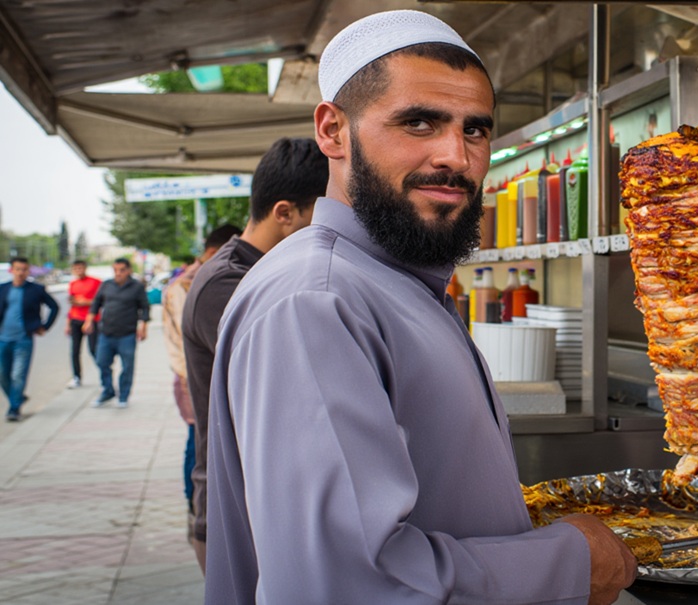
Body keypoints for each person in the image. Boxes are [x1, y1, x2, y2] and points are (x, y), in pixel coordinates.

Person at [204, 10, 637, 604]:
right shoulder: (315, 302)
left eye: (475, 130)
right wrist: (569, 562)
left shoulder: (396, 284)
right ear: (333, 131)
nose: (456, 157)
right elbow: (350, 584)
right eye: (419, 122)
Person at [182, 136, 328, 573]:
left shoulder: (265, 273)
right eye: (324, 217)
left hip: (269, 504)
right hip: (237, 511)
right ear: (284, 213)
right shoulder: (227, 285)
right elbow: (304, 380)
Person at [162, 224, 242, 546]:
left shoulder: (196, 279)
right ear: (213, 252)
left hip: (190, 373)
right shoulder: (187, 284)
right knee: (198, 442)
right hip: (189, 374)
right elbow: (185, 340)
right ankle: (194, 506)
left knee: (200, 440)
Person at [83, 258, 150, 408]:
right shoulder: (107, 284)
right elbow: (96, 304)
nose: (118, 273)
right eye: (115, 270)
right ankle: (108, 391)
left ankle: (123, 396)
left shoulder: (137, 287)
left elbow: (145, 307)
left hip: (127, 334)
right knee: (101, 362)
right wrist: (89, 321)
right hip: (106, 333)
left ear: (129, 270)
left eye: (122, 270)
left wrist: (143, 326)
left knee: (127, 366)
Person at [0, 257, 58, 421]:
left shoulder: (36, 289)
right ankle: (17, 397)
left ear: (28, 271)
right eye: (17, 269)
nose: (20, 272)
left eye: (24, 269)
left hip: (23, 339)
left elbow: (54, 307)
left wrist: (44, 326)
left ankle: (14, 408)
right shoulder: (2, 289)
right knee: (2, 374)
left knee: (18, 374)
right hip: (2, 339)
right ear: (11, 270)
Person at [64, 260, 101, 388]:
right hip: (75, 319)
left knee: (93, 349)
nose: (78, 271)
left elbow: (101, 301)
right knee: (74, 351)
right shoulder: (73, 284)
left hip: (91, 320)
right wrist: (67, 323)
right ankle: (76, 377)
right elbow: (72, 304)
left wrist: (86, 302)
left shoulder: (95, 282)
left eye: (80, 268)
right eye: (76, 268)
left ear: (85, 268)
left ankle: (104, 374)